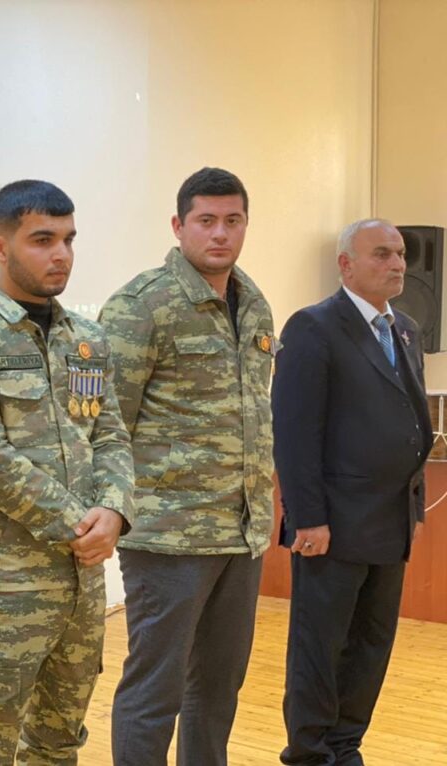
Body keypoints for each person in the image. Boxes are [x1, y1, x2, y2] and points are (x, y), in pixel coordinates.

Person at [0, 180, 134, 765]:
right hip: (7, 588)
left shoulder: (87, 340)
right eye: (43, 240)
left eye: (69, 239)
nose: (61, 254)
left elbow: (111, 434)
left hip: (83, 584)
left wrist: (115, 510)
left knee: (58, 743)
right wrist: (81, 522)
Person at [98, 167, 276, 766]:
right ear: (178, 226)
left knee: (218, 690)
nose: (220, 233)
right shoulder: (141, 305)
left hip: (241, 534)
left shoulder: (254, 304)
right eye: (206, 221)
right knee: (155, 692)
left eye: (232, 220)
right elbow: (105, 425)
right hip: (167, 536)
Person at [273, 218, 432, 766]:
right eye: (382, 253)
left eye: (401, 254)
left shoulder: (405, 329)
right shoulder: (314, 327)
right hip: (333, 526)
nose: (398, 264)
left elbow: (412, 420)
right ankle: (310, 753)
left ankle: (346, 748)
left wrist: (414, 507)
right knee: (320, 648)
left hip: (390, 522)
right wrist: (307, 517)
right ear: (346, 264)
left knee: (371, 646)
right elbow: (295, 434)